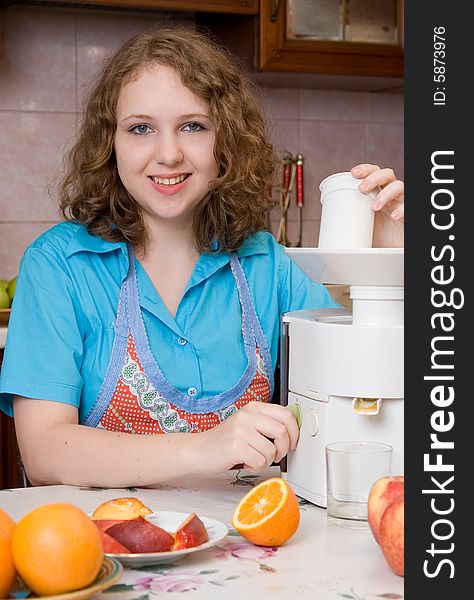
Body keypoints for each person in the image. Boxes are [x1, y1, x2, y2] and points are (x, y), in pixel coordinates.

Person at [0, 27, 404, 488]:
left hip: (251, 550)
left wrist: (388, 262)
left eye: (193, 126)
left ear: (225, 141)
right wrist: (203, 446)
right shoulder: (60, 265)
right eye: (140, 128)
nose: (168, 154)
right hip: (103, 549)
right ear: (110, 145)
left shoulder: (266, 264)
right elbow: (46, 451)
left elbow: (370, 386)